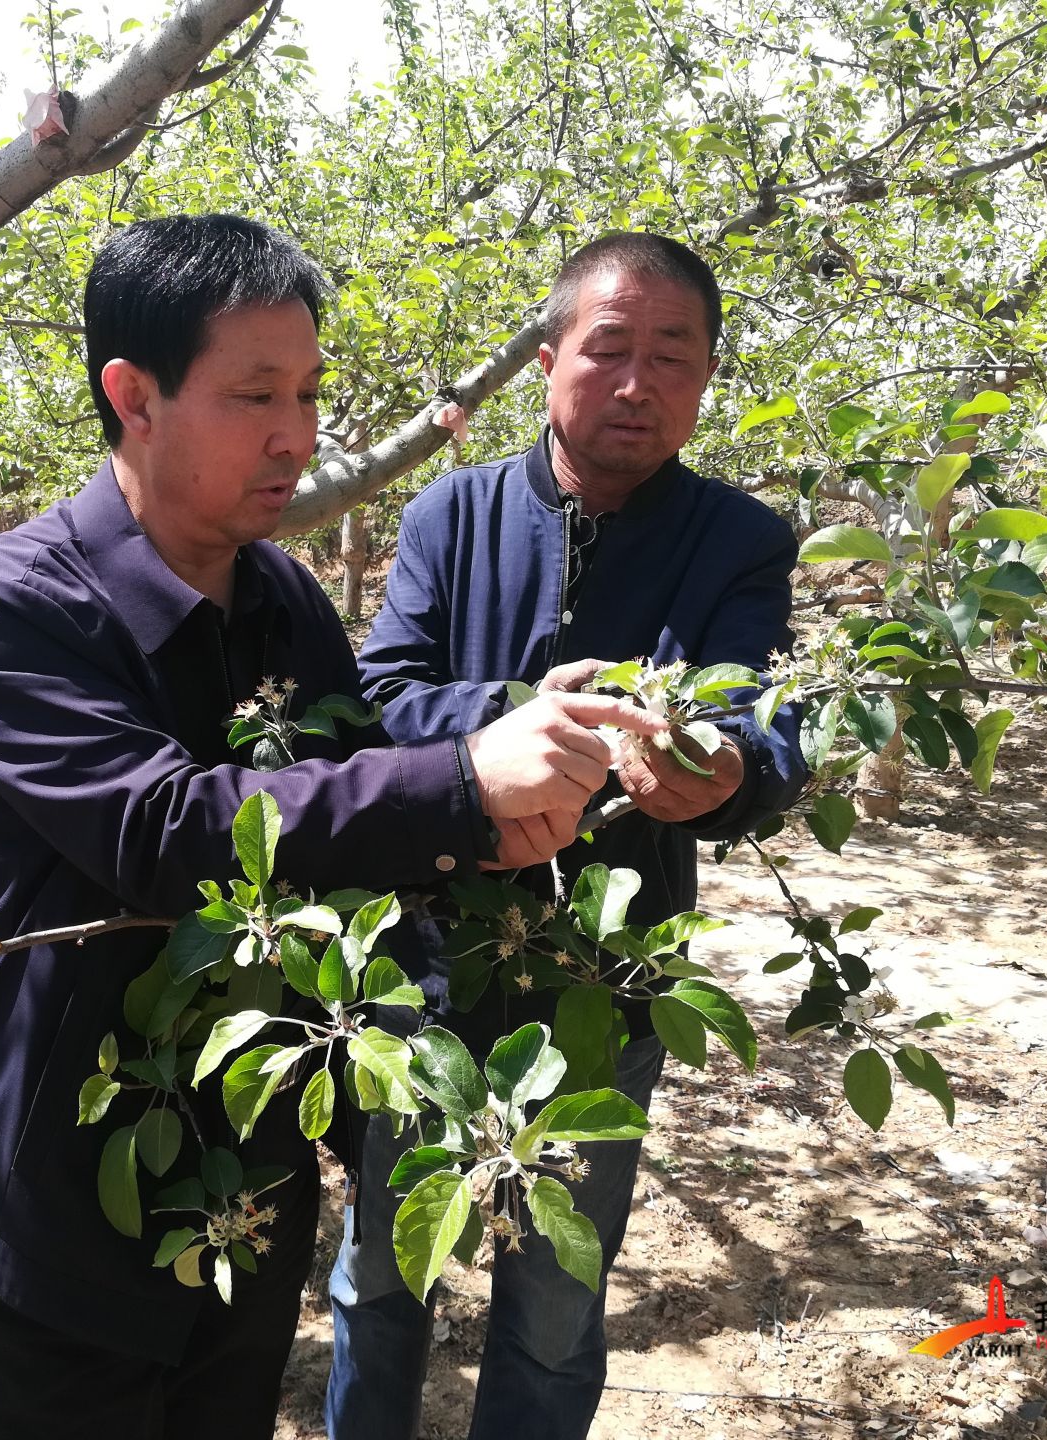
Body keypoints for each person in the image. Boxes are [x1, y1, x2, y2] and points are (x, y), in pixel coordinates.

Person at [0, 214, 658, 1440]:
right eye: (255, 393)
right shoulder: (15, 607)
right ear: (132, 396)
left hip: (244, 1183)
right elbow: (165, 827)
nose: (297, 435)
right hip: (46, 1186)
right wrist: (460, 782)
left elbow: (350, 797)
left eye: (307, 392)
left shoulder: (283, 595)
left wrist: (480, 833)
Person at [327, 232, 810, 1440]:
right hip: (424, 968)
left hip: (606, 987)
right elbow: (379, 692)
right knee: (382, 1277)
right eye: (607, 350)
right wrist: (510, 713)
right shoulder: (455, 510)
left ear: (705, 380)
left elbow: (765, 715)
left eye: (673, 358)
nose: (638, 384)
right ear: (549, 361)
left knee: (552, 1310)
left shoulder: (739, 539)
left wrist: (734, 772)